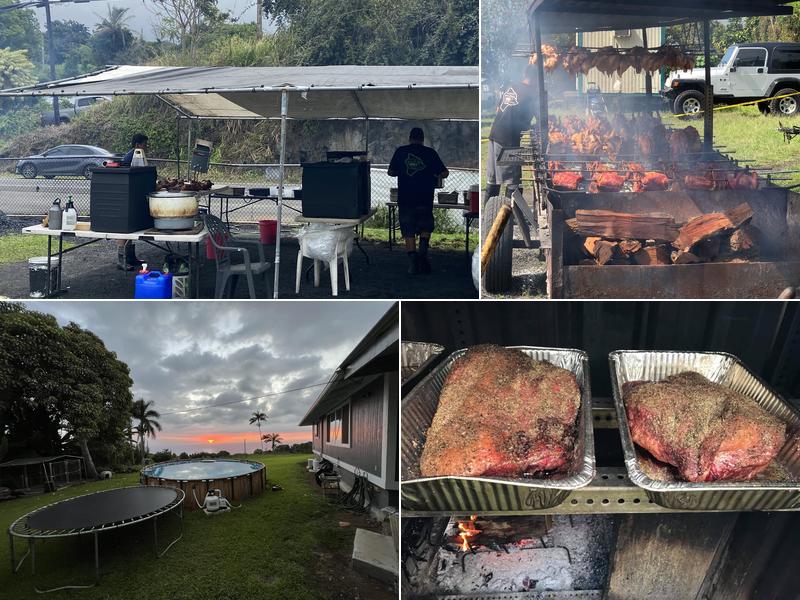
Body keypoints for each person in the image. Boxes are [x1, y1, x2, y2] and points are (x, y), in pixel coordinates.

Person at [388, 127, 448, 275]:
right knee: (425, 227)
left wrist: (402, 171)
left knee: (408, 230)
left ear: (410, 138)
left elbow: (390, 172)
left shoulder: (401, 151)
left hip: (406, 198)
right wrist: (434, 174)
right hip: (425, 197)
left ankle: (413, 262)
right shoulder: (430, 153)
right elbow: (445, 172)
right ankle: (422, 255)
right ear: (422, 139)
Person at [485, 63, 539, 202]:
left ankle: (488, 217)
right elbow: (539, 117)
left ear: (524, 75)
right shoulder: (531, 94)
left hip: (494, 135)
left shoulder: (511, 87)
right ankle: (510, 220)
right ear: (536, 78)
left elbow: (498, 110)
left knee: (493, 181)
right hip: (508, 141)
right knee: (513, 183)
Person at [117, 133, 149, 270]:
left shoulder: (138, 155)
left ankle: (131, 257)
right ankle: (121, 260)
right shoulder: (129, 157)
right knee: (123, 229)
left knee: (132, 228)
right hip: (124, 198)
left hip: (133, 197)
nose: (147, 147)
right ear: (137, 145)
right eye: (145, 144)